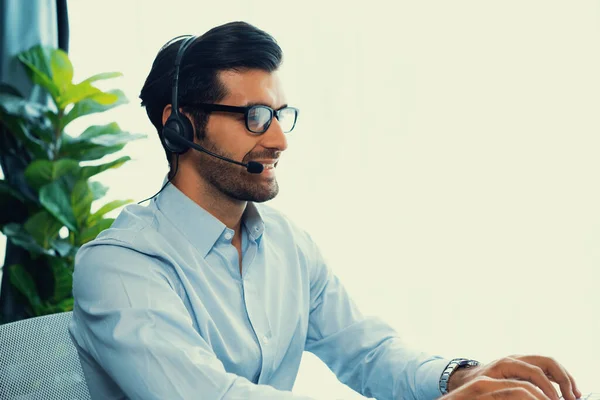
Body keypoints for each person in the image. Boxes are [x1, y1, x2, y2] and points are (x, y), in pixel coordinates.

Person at [69, 21, 582, 400]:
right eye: (253, 117)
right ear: (180, 125)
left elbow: (367, 352)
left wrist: (460, 376)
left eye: (279, 114)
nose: (278, 140)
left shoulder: (287, 244)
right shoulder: (119, 267)